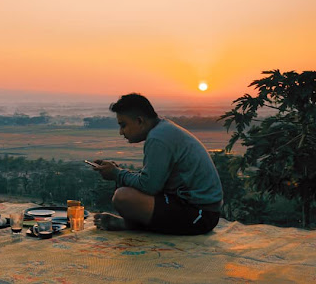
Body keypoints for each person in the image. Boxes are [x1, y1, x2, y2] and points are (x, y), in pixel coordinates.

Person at [92, 93, 223, 235]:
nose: (120, 132)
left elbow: (149, 186)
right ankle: (134, 224)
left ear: (140, 121)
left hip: (200, 215)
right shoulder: (162, 130)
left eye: (123, 125)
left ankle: (133, 225)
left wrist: (117, 174)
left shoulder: (158, 138)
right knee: (127, 187)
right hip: (194, 208)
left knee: (123, 197)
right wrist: (117, 171)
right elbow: (151, 180)